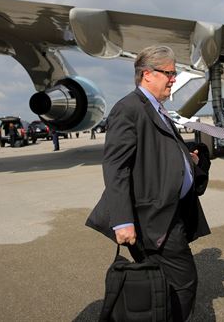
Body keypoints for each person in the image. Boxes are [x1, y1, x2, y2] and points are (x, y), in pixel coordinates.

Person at [86, 45, 211, 322]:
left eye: (173, 73)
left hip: (168, 212)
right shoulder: (128, 109)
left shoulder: (156, 108)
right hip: (152, 219)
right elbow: (116, 166)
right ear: (147, 74)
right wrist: (122, 221)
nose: (173, 79)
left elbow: (155, 151)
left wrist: (185, 158)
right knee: (183, 282)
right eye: (169, 72)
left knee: (165, 285)